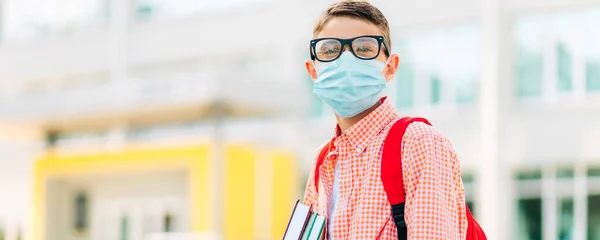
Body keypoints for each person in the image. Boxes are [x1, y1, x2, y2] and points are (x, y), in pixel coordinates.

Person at [301, 0, 468, 239]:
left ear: (390, 67)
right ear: (313, 71)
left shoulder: (418, 144)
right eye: (329, 50)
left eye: (365, 48)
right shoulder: (322, 162)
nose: (346, 60)